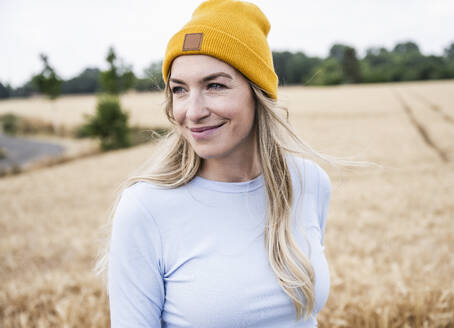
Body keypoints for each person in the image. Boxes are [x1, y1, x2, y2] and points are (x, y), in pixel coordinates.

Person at [95, 0, 339, 326]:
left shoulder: (309, 182)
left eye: (215, 86)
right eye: (179, 90)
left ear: (259, 92)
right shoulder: (146, 208)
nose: (193, 111)